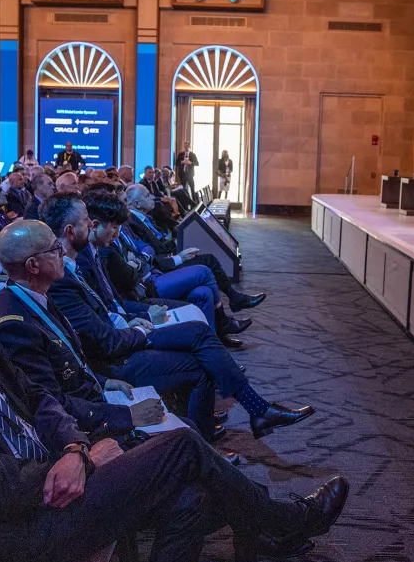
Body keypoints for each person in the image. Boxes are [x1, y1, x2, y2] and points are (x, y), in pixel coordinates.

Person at [0, 242, 348, 562]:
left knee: (192, 498)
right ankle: (284, 521)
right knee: (181, 446)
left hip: (48, 477)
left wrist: (73, 447)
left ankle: (269, 525)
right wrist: (87, 460)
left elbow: (39, 399)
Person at [42, 193, 312, 438]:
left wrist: (133, 320)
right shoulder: (65, 276)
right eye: (87, 220)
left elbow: (111, 306)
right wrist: (140, 328)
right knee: (199, 341)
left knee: (200, 318)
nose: (91, 224)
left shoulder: (76, 263)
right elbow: (105, 338)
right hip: (114, 357)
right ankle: (239, 419)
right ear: (70, 230)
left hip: (123, 331)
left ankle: (242, 414)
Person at [0, 220, 166, 441]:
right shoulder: (13, 325)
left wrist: (103, 382)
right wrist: (126, 415)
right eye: (55, 248)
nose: (63, 252)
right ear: (33, 265)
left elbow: (69, 364)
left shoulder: (34, 295)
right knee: (183, 438)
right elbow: (51, 404)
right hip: (81, 432)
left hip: (90, 400)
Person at [85, 191, 249, 348]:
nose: (125, 206)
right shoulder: (108, 241)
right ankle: (224, 320)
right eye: (124, 201)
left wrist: (139, 261)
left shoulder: (122, 227)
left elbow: (147, 248)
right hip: (145, 286)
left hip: (151, 273)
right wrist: (143, 261)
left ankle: (216, 340)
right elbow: (129, 278)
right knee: (204, 270)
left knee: (204, 292)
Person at [125, 184, 265, 311]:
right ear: (136, 203)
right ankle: (234, 299)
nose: (153, 197)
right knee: (208, 260)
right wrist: (178, 258)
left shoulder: (146, 218)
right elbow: (152, 255)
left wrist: (177, 248)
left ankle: (228, 310)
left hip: (168, 257)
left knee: (204, 280)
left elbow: (159, 243)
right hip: (162, 268)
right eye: (147, 196)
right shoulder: (133, 223)